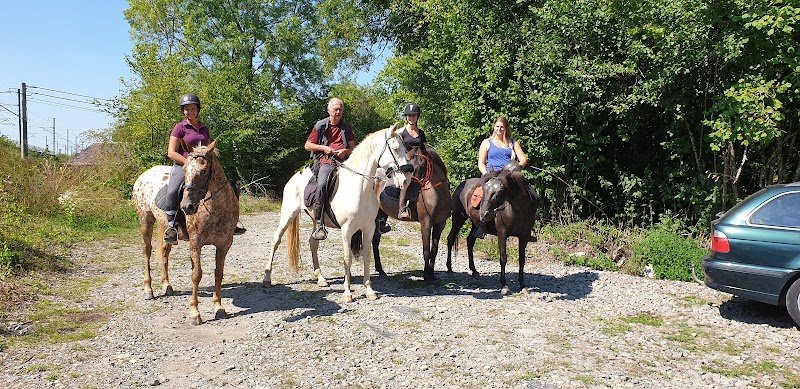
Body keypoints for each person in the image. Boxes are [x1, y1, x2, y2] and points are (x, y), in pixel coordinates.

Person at [163, 93, 246, 244]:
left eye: (193, 109)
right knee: (173, 192)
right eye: (187, 109)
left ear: (198, 110)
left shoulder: (203, 128)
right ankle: (172, 226)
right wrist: (190, 164)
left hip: (203, 166)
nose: (190, 112)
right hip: (184, 166)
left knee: (231, 186)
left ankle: (233, 221)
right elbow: (171, 152)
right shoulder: (179, 128)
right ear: (183, 111)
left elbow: (208, 150)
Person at [304, 97, 356, 240]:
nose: (338, 112)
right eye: (335, 109)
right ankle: (319, 222)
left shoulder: (346, 127)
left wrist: (345, 151)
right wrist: (324, 148)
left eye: (340, 109)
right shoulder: (320, 125)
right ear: (329, 110)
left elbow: (353, 148)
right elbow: (307, 145)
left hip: (345, 162)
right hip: (325, 161)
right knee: (322, 184)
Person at [472, 116, 528, 238]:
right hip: (491, 174)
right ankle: (482, 224)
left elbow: (523, 158)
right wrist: (485, 174)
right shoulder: (487, 142)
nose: (499, 129)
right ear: (494, 127)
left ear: (506, 128)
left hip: (507, 175)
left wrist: (518, 167)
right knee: (487, 195)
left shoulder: (512, 142)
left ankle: (527, 225)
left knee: (525, 192)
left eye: (502, 127)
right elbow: (481, 162)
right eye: (497, 126)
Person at [376, 103, 427, 233]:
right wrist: (408, 155)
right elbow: (396, 150)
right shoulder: (400, 132)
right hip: (405, 163)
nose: (411, 117)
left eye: (414, 115)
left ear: (417, 117)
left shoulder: (421, 133)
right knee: (406, 179)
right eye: (409, 115)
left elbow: (424, 149)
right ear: (406, 117)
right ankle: (402, 208)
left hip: (419, 163)